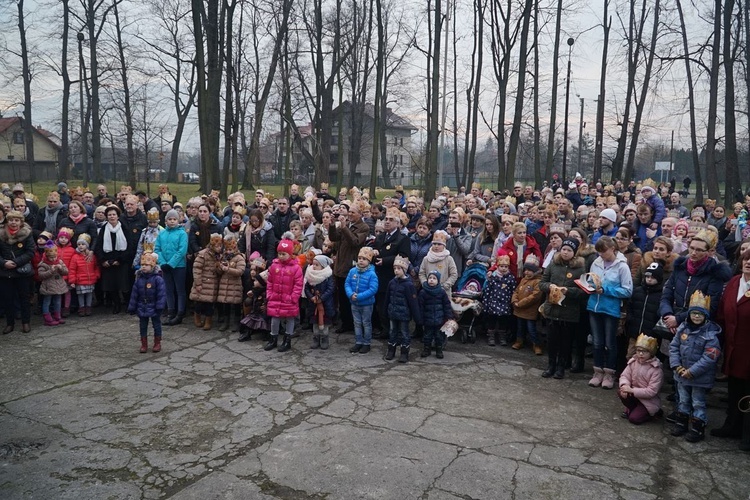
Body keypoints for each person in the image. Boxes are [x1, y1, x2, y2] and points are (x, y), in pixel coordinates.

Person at [669, 290, 722, 443]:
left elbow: (710, 357)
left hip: (698, 377)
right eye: (694, 313)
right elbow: (674, 348)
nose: (697, 316)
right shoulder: (682, 329)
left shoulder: (711, 335)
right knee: (683, 399)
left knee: (698, 402)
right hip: (681, 374)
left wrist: (692, 371)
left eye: (700, 314)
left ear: (706, 315)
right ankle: (681, 422)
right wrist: (677, 366)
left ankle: (698, 427)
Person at [714, 248, 750, 450]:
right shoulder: (735, 282)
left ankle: (747, 434)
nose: (749, 262)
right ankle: (732, 426)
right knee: (734, 389)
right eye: (746, 258)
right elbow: (722, 312)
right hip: (733, 347)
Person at [587, 236, 634, 389]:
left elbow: (627, 290)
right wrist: (588, 285)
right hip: (594, 306)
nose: (601, 255)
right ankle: (597, 371)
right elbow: (591, 280)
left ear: (613, 249)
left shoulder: (622, 266)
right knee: (597, 341)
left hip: (610, 308)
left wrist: (605, 290)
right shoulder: (596, 262)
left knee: (610, 343)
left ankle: (609, 373)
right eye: (599, 252)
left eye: (604, 251)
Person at [539, 238, 587, 379]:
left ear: (574, 252)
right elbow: (542, 282)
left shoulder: (580, 268)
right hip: (553, 309)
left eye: (569, 250)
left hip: (569, 311)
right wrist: (550, 287)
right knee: (552, 340)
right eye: (564, 249)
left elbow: (584, 291)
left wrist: (569, 291)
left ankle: (561, 367)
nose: (565, 252)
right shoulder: (553, 264)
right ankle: (550, 366)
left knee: (565, 342)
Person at [328, 201, 370, 333]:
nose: (350, 214)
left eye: (353, 212)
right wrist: (332, 225)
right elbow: (333, 238)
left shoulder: (364, 227)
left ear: (360, 214)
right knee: (341, 298)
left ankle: (353, 324)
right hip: (340, 265)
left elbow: (355, 242)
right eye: (349, 211)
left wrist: (345, 227)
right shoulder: (346, 225)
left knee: (350, 298)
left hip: (351, 266)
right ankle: (345, 323)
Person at [263, 239, 303, 353]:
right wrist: (269, 294)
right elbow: (270, 281)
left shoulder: (296, 268)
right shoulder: (274, 266)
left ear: (290, 254)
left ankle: (287, 340)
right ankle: (273, 339)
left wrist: (293, 297)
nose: (281, 256)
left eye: (283, 254)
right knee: (275, 320)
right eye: (279, 253)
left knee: (289, 319)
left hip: (288, 299)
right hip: (275, 298)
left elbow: (298, 285)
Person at [618, 334, 664, 425]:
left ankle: (653, 413)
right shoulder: (634, 362)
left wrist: (632, 390)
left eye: (645, 351)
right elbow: (625, 376)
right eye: (639, 351)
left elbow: (652, 391)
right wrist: (624, 385)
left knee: (634, 419)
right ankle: (632, 408)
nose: (641, 354)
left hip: (648, 400)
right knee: (621, 391)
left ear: (651, 353)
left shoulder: (656, 369)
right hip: (635, 395)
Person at [94, 206, 131, 314]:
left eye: (114, 214)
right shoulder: (103, 229)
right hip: (107, 261)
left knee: (124, 285)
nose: (112, 216)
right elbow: (99, 246)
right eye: (109, 215)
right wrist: (103, 260)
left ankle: (128, 305)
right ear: (106, 217)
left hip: (121, 261)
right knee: (111, 285)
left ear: (118, 216)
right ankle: (116, 304)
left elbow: (129, 244)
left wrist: (120, 259)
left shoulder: (124, 227)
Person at [127, 252, 167, 353]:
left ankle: (157, 342)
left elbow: (161, 294)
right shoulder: (139, 279)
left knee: (156, 324)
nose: (144, 267)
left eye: (146, 265)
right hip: (142, 305)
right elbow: (134, 294)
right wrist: (132, 307)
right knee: (143, 325)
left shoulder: (158, 279)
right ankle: (144, 344)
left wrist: (160, 306)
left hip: (154, 305)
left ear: (152, 265)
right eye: (142, 265)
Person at [154, 209, 188, 325]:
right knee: (168, 289)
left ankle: (180, 313)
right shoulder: (162, 234)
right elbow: (157, 249)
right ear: (166, 221)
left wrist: (171, 263)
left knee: (180, 290)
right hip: (165, 266)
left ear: (178, 221)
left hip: (178, 266)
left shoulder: (182, 233)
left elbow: (182, 250)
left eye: (174, 219)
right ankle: (171, 311)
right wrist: (163, 263)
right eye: (170, 219)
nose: (172, 221)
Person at [385, 255, 421, 362]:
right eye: (395, 268)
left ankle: (404, 353)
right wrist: (385, 310)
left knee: (405, 333)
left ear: (404, 270)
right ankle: (391, 350)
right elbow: (387, 298)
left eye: (399, 268)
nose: (396, 271)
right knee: (392, 332)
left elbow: (413, 303)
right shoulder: (392, 282)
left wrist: (417, 317)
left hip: (404, 315)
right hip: (393, 313)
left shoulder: (409, 285)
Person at [345, 247, 379, 354]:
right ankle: (358, 342)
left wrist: (359, 296)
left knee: (366, 323)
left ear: (369, 261)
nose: (361, 260)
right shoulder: (352, 271)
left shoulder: (372, 274)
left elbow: (373, 289)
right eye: (359, 258)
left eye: (364, 259)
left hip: (366, 304)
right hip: (354, 303)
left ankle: (366, 343)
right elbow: (347, 284)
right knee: (357, 323)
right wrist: (350, 294)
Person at [482, 250, 517, 347]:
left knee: (503, 321)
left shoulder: (510, 278)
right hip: (493, 302)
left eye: (506, 267)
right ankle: (491, 336)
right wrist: (486, 302)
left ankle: (502, 337)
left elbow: (513, 290)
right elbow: (488, 290)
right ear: (497, 266)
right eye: (501, 266)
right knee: (492, 320)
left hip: (505, 303)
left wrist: (512, 301)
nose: (504, 269)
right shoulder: (493, 277)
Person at [511, 254, 544, 354]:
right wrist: (514, 300)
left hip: (530, 311)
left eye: (529, 270)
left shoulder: (538, 281)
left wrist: (520, 303)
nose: (526, 272)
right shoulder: (524, 279)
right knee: (520, 327)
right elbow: (516, 291)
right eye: (525, 270)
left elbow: (534, 296)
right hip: (519, 309)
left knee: (531, 328)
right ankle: (519, 341)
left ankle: (536, 344)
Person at [190, 233, 223, 330]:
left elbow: (219, 272)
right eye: (217, 246)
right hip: (203, 282)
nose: (219, 248)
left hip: (213, 283)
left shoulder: (219, 256)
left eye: (220, 246)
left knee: (210, 304)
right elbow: (197, 269)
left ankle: (208, 320)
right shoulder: (203, 254)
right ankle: (197, 316)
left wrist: (219, 268)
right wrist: (198, 283)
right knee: (199, 302)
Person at [418, 270, 454, 359]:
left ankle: (439, 350)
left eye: (434, 278)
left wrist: (449, 316)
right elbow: (420, 307)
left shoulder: (441, 292)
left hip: (439, 320)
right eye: (430, 278)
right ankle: (427, 349)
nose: (431, 280)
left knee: (439, 336)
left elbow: (446, 305)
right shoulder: (423, 292)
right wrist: (420, 319)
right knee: (427, 336)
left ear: (438, 281)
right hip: (428, 320)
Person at [216, 233, 246, 332]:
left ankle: (236, 322)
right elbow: (219, 272)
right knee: (226, 304)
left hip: (235, 285)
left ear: (235, 248)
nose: (228, 252)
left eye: (230, 250)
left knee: (236, 304)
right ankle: (226, 322)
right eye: (227, 250)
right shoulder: (223, 257)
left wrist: (228, 269)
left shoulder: (239, 258)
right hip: (225, 285)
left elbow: (240, 271)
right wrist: (220, 267)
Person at [305, 254, 335, 350]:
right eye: (313, 264)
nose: (314, 266)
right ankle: (315, 338)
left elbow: (330, 289)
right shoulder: (310, 276)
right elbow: (307, 288)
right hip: (314, 305)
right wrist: (311, 297)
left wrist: (321, 298)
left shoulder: (327, 277)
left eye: (317, 265)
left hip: (325, 305)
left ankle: (324, 338)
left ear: (323, 266)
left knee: (324, 325)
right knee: (315, 324)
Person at [37, 241, 68, 326]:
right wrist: (51, 270)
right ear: (46, 255)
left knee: (58, 301)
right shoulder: (43, 264)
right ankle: (47, 318)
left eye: (54, 257)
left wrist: (61, 268)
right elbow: (41, 275)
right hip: (48, 286)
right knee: (47, 301)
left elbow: (66, 272)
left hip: (58, 286)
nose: (53, 259)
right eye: (51, 258)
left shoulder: (60, 261)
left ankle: (57, 315)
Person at [67, 234, 99, 317]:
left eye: (83, 244)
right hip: (80, 280)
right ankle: (81, 307)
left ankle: (88, 307)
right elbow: (72, 269)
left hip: (90, 279)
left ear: (87, 245)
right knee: (80, 294)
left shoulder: (92, 256)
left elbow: (96, 267)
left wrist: (96, 275)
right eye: (79, 244)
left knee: (89, 294)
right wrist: (72, 281)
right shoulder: (75, 257)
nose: (81, 246)